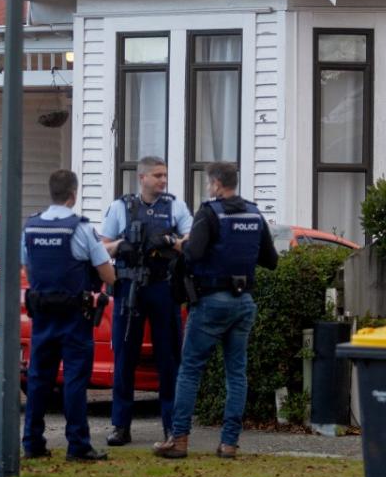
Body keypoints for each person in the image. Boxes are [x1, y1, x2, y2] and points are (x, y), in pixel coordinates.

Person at [153, 161, 277, 460]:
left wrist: (179, 244)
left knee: (190, 370)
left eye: (210, 184)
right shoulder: (254, 213)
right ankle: (229, 443)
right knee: (236, 373)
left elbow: (194, 254)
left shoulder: (210, 212)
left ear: (218, 185)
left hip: (211, 301)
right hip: (244, 301)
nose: (209, 188)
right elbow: (271, 260)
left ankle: (179, 439)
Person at [20, 169, 116, 462]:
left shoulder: (31, 227)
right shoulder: (81, 229)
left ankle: (33, 443)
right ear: (73, 195)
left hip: (43, 314)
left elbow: (27, 268)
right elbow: (107, 273)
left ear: (52, 193)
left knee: (38, 379)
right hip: (75, 316)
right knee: (75, 379)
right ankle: (78, 445)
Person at [100, 156, 192, 446]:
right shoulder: (121, 207)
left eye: (165, 175)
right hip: (130, 288)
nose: (163, 180)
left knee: (169, 359)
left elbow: (191, 241)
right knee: (125, 357)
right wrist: (121, 246)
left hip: (163, 287)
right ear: (142, 178)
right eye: (157, 175)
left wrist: (169, 242)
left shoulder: (175, 206)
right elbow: (103, 246)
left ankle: (172, 427)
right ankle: (120, 426)